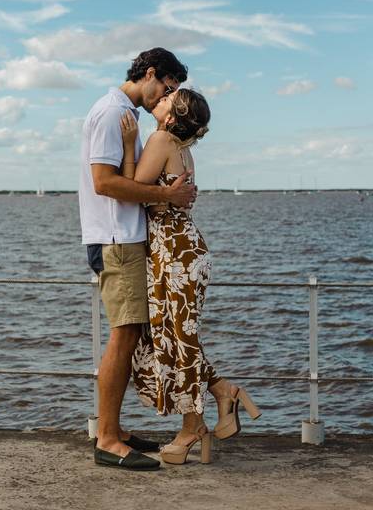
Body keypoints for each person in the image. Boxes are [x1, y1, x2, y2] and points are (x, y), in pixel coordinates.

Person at [120, 87, 261, 466]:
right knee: (176, 336)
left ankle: (192, 427)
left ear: (172, 115)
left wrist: (130, 144)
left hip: (173, 252)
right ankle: (219, 394)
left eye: (168, 98)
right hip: (184, 249)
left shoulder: (161, 138)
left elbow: (135, 191)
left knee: (178, 338)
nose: (160, 99)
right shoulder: (183, 148)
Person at [79, 47, 197, 471]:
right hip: (116, 238)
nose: (165, 99)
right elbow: (105, 183)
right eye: (167, 88)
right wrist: (167, 195)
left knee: (129, 335)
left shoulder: (119, 112)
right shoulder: (114, 114)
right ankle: (108, 439)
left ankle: (115, 429)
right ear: (150, 74)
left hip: (121, 236)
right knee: (124, 335)